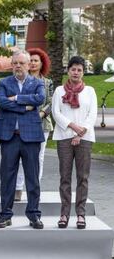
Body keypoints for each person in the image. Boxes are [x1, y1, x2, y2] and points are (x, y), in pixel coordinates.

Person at [0, 50, 45, 229]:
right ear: (11, 65)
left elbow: (40, 99)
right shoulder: (4, 82)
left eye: (22, 63)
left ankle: (34, 215)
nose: (18, 66)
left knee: (32, 178)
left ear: (29, 65)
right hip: (9, 137)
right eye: (15, 63)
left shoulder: (37, 83)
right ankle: (5, 215)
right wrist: (26, 106)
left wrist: (17, 98)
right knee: (7, 178)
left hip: (31, 137)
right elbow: (1, 102)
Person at [52, 56, 97, 229]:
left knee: (82, 177)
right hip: (64, 137)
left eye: (79, 69)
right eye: (73, 69)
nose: (76, 72)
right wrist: (73, 127)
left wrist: (81, 132)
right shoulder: (58, 91)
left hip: (85, 138)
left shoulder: (90, 91)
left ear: (83, 72)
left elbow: (91, 115)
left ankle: (80, 214)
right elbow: (56, 113)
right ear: (68, 71)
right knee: (65, 177)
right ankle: (64, 213)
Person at [15, 48, 53, 201]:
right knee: (19, 157)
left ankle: (34, 187)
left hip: (42, 124)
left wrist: (40, 114)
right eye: (30, 60)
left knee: (39, 157)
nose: (32, 63)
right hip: (22, 122)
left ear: (42, 63)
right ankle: (18, 188)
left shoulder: (47, 82)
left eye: (36, 60)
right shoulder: (20, 80)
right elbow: (18, 99)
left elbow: (51, 102)